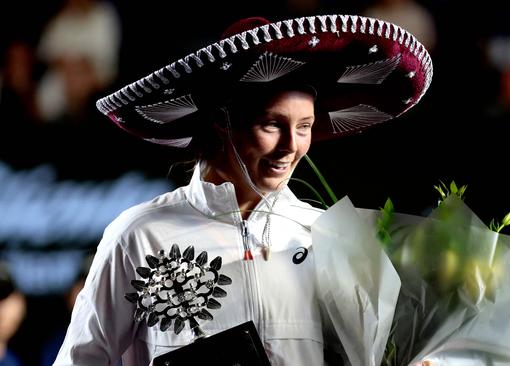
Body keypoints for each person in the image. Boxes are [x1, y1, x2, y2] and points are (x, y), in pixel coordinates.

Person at [53, 14, 432, 365]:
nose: (291, 146)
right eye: (272, 125)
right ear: (222, 120)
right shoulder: (139, 235)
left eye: (305, 127)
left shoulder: (329, 236)